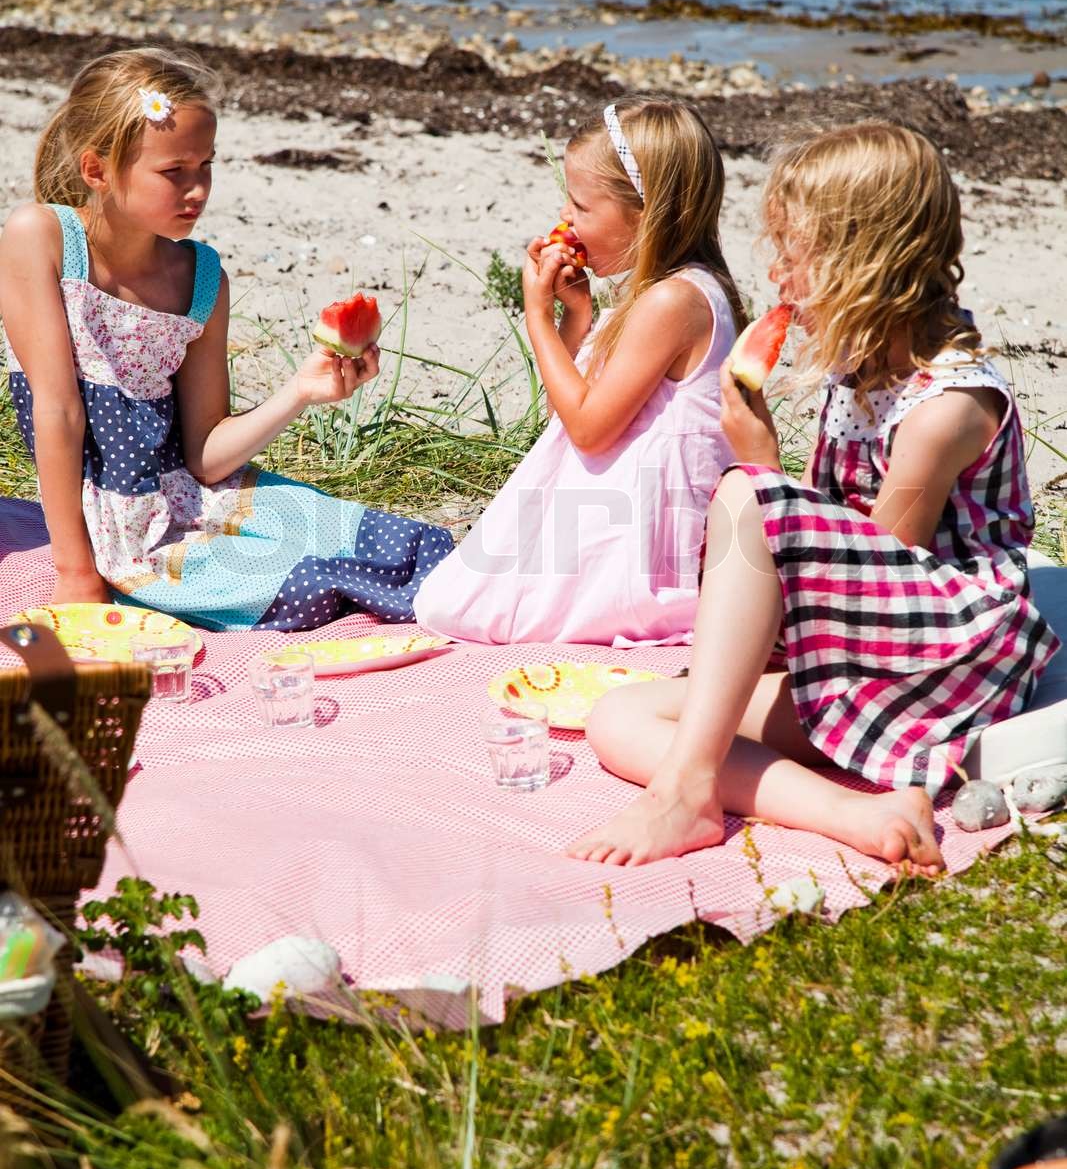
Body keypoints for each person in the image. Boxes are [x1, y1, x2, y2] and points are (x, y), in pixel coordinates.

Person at [569, 121, 1060, 870]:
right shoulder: (865, 371)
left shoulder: (943, 410)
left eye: (793, 257)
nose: (777, 279)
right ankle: (852, 813)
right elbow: (836, 550)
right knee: (615, 718)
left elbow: (885, 571)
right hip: (879, 640)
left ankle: (688, 792)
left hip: (944, 659)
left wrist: (762, 468)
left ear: (862, 262)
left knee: (747, 494)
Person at [0, 47, 452, 630]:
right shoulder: (41, 237)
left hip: (197, 497)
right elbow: (58, 411)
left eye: (206, 165)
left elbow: (206, 458)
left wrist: (300, 392)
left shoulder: (203, 277)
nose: (197, 190)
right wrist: (75, 573)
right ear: (97, 170)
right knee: (311, 587)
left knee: (391, 542)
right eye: (173, 171)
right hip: (117, 523)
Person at [414, 96, 746, 645]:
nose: (567, 219)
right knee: (455, 599)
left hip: (644, 546)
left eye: (581, 206)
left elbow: (590, 432)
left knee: (464, 609)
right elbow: (563, 415)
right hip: (617, 514)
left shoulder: (674, 302)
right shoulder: (653, 297)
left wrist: (537, 318)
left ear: (648, 211)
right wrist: (578, 315)